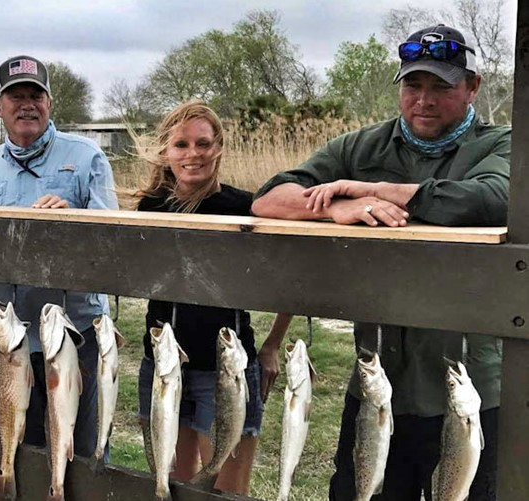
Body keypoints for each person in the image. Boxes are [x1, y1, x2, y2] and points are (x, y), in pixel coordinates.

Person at [252, 25, 509, 501]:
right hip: (378, 378)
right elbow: (269, 197)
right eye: (413, 86)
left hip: (468, 386)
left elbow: (492, 200)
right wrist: (332, 207)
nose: (424, 101)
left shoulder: (500, 144)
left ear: (472, 87)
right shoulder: (360, 148)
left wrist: (372, 190)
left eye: (442, 87)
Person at [0, 55, 119, 460]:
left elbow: (111, 238)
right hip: (12, 338)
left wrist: (73, 220)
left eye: (36, 95)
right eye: (16, 96)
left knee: (81, 451)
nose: (27, 104)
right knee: (21, 447)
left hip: (76, 333)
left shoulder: (87, 157)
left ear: (49, 103)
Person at [132, 100, 292, 495]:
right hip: (164, 367)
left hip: (224, 371)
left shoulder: (245, 208)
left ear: (219, 146)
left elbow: (294, 277)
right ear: (166, 152)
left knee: (225, 488)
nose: (192, 155)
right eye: (181, 145)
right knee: (177, 481)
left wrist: (272, 345)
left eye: (203, 144)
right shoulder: (151, 208)